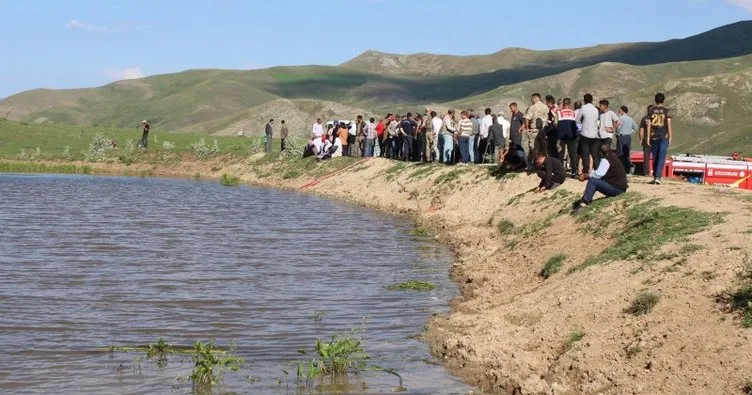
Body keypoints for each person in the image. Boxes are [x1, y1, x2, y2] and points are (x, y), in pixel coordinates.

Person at [572, 141, 629, 214]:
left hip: (617, 190)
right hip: (620, 188)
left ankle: (583, 204)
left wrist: (585, 176)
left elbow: (598, 175)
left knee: (593, 181)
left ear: (600, 152)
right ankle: (585, 200)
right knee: (595, 180)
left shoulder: (606, 159)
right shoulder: (612, 156)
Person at [646, 92, 673, 185]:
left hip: (653, 136)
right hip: (663, 136)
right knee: (661, 157)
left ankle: (655, 177)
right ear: (663, 100)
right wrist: (670, 137)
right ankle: (658, 177)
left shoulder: (651, 110)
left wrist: (648, 137)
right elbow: (669, 124)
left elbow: (649, 124)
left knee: (655, 157)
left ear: (655, 100)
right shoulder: (667, 110)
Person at [522, 93, 549, 167]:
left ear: (535, 98)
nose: (531, 100)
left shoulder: (532, 107)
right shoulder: (545, 107)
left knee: (533, 148)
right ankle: (543, 164)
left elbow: (527, 118)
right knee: (543, 149)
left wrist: (527, 128)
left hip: (534, 131)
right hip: (543, 131)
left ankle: (535, 164)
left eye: (532, 99)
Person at [576, 94, 600, 173]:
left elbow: (577, 120)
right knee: (594, 155)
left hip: (585, 134)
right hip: (594, 135)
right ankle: (596, 171)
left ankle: (585, 171)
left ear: (584, 100)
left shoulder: (583, 108)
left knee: (585, 154)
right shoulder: (596, 109)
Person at [557, 98, 578, 178]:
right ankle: (573, 172)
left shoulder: (559, 113)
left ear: (563, 104)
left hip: (561, 136)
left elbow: (556, 124)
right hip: (572, 136)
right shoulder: (574, 113)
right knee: (572, 154)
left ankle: (560, 172)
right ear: (570, 104)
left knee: (561, 154)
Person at [616, 105, 637, 173]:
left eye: (620, 110)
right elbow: (635, 127)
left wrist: (617, 133)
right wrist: (629, 132)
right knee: (627, 153)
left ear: (622, 110)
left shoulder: (620, 118)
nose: (619, 111)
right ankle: (627, 169)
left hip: (621, 136)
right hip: (628, 137)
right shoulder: (630, 118)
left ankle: (620, 169)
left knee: (620, 153)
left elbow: (618, 128)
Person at [638, 105, 654, 177]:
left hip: (646, 139)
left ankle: (646, 172)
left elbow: (641, 130)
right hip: (655, 139)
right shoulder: (657, 118)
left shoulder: (644, 118)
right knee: (655, 156)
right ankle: (656, 172)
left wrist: (641, 139)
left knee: (646, 157)